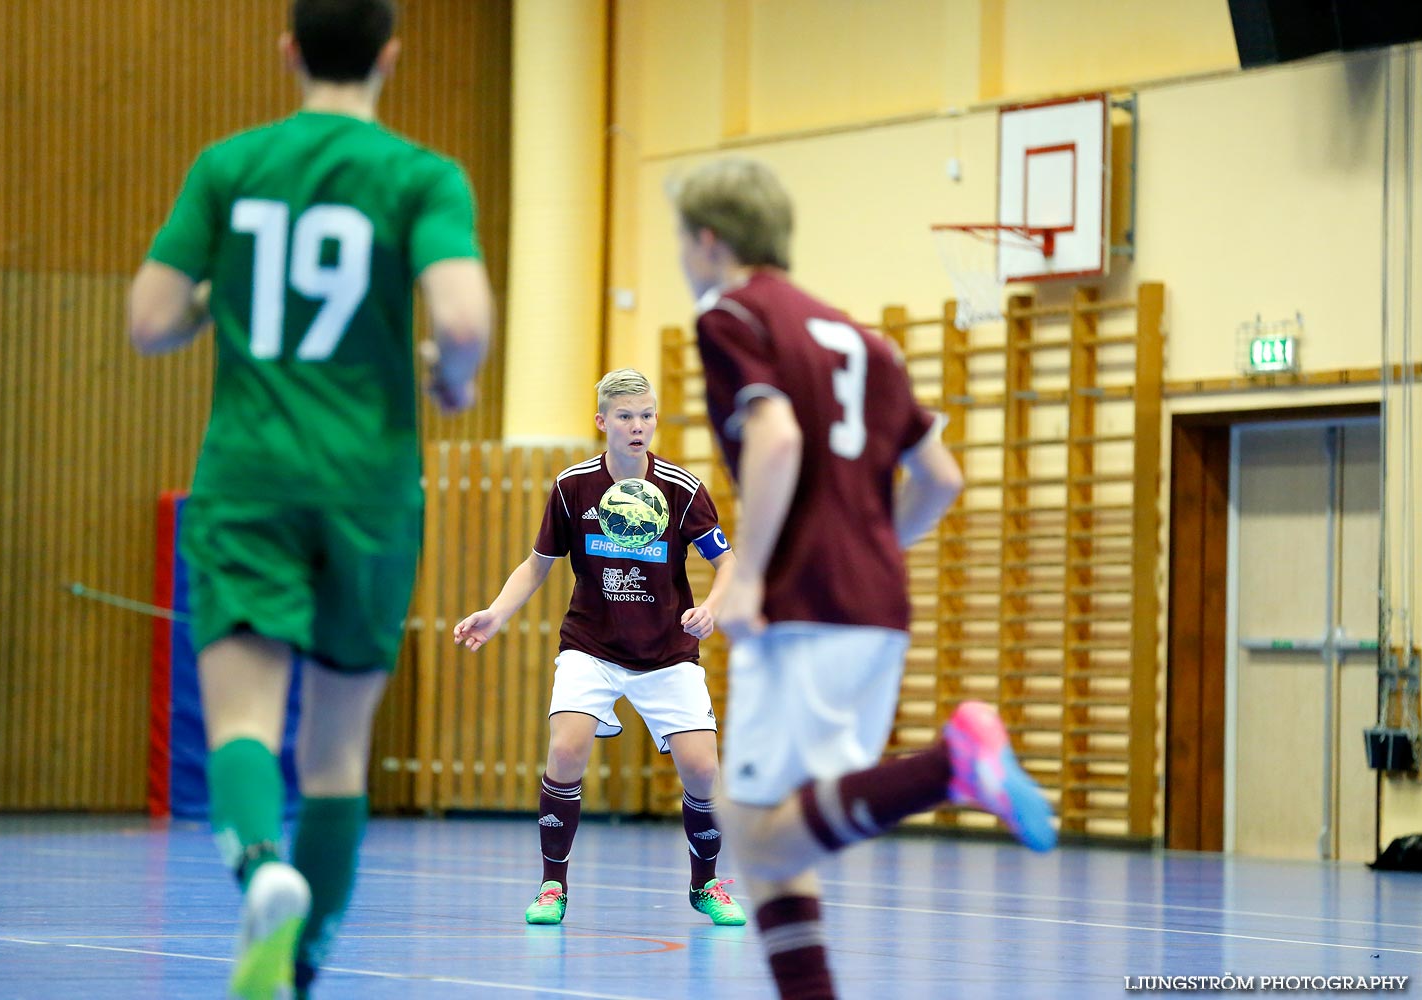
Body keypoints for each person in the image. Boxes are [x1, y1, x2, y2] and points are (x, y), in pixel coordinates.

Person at [126, 1, 493, 996]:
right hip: (370, 491)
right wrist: (453, 379)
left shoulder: (230, 166)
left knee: (242, 719)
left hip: (250, 478)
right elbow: (462, 315)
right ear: (392, 55)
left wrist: (218, 295)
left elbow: (151, 319)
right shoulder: (422, 176)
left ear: (287, 51)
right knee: (334, 754)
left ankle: (260, 868)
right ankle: (298, 968)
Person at [670, 158, 1056, 1000]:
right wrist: (872, 549)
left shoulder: (731, 314)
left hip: (803, 606)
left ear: (707, 240)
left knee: (758, 833)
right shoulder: (865, 340)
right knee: (767, 832)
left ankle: (952, 767)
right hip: (877, 604)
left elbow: (774, 440)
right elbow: (944, 478)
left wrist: (754, 579)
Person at [453, 368, 748, 927]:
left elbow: (727, 562)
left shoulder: (683, 491)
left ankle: (705, 884)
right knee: (565, 752)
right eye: (625, 416)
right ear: (602, 423)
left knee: (703, 772)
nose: (638, 426)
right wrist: (496, 612)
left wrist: (711, 608)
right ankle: (551, 887)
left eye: (646, 415)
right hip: (591, 646)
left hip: (667, 651)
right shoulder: (572, 488)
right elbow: (539, 564)